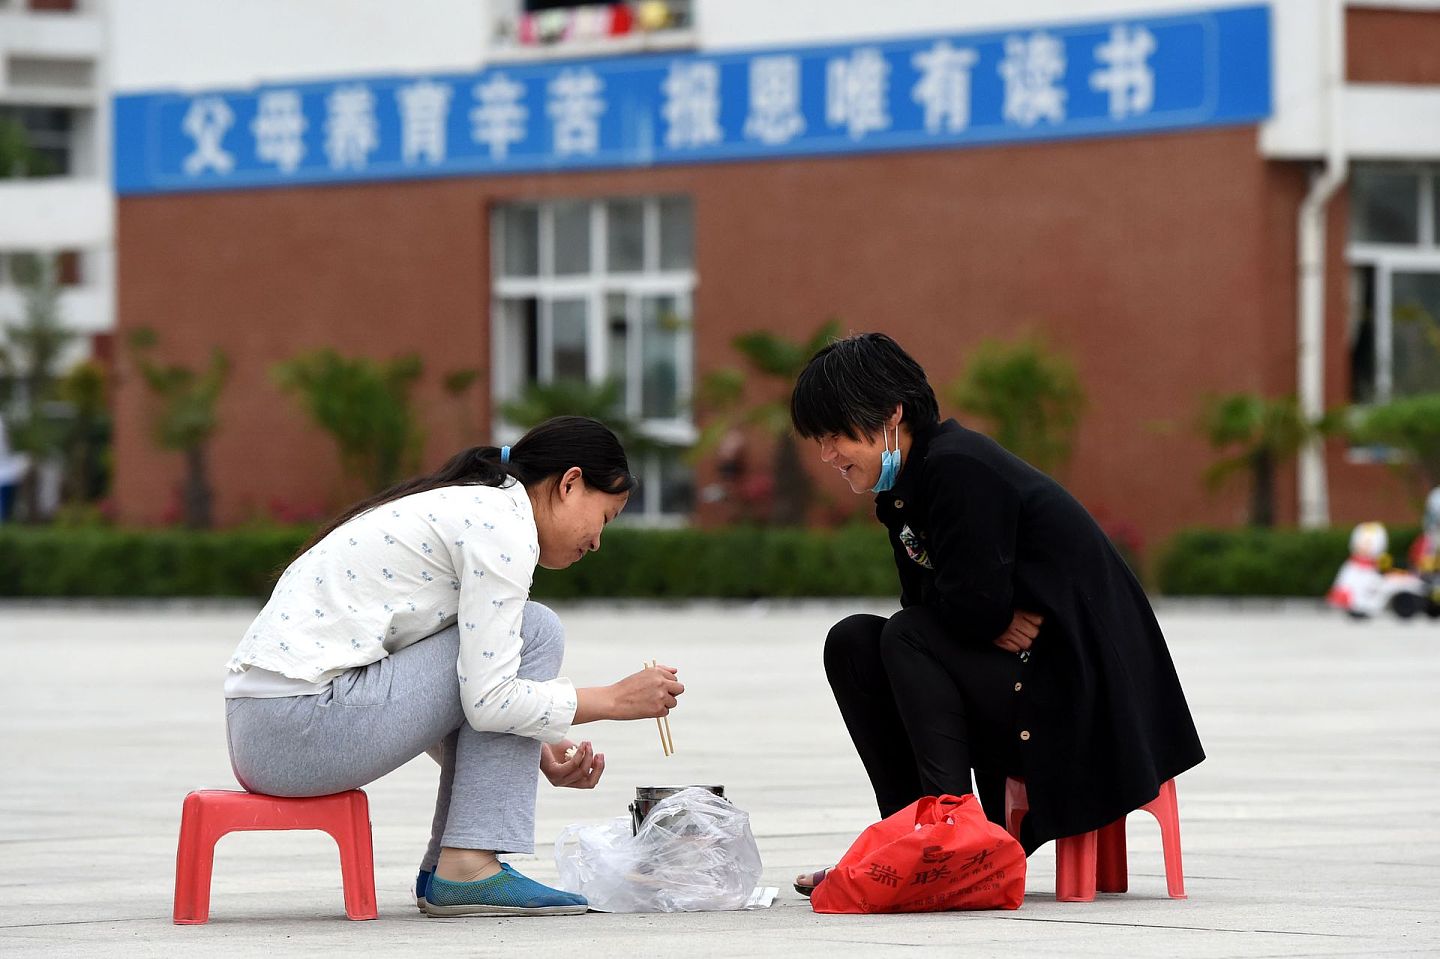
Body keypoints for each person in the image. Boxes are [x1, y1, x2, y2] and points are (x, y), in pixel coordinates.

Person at [786, 333, 1204, 895]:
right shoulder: (905, 491)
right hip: (1022, 674)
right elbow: (957, 609)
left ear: (890, 416)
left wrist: (981, 613)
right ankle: (913, 839)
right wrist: (984, 615)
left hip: (1079, 695)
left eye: (835, 436)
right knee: (854, 642)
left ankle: (959, 849)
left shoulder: (959, 469)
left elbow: (964, 612)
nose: (827, 456)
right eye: (819, 440)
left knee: (906, 637)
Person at [223, 416, 684, 918]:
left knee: (506, 648)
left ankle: (455, 870)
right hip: (297, 729)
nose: (597, 542)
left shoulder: (473, 508)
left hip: (268, 731)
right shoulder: (502, 527)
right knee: (535, 631)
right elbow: (490, 701)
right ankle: (468, 866)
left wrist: (535, 745)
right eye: (606, 518)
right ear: (570, 483)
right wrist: (614, 700)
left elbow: (413, 682)